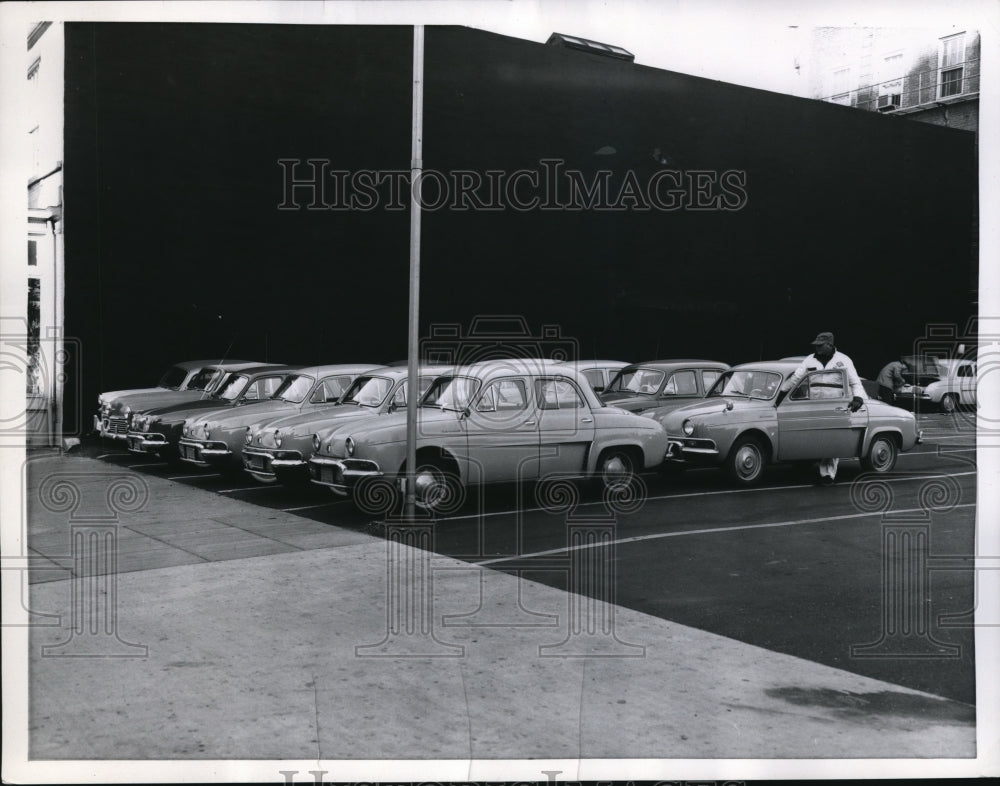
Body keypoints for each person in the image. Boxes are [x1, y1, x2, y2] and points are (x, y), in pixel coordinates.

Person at [776, 331, 866, 485]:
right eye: (816, 345)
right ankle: (806, 465)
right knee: (811, 436)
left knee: (831, 439)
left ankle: (827, 475)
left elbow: (855, 382)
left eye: (820, 345)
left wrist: (858, 398)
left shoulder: (844, 360)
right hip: (813, 404)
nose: (817, 348)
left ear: (830, 345)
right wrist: (780, 396)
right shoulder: (809, 360)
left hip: (836, 405)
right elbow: (795, 379)